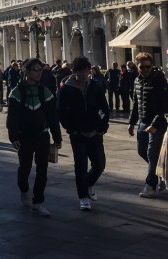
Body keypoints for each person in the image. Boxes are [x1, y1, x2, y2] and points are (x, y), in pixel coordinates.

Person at [7, 58, 63, 217]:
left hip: (42, 135)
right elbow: (12, 118)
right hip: (25, 136)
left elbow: (53, 116)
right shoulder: (16, 93)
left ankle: (38, 202)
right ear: (26, 71)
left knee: (42, 170)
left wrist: (57, 137)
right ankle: (24, 189)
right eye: (35, 70)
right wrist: (13, 136)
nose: (39, 73)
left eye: (41, 70)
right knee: (24, 168)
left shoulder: (45, 92)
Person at [58, 56, 109, 211]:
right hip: (78, 133)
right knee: (80, 166)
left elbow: (104, 108)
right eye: (80, 72)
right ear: (75, 73)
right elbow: (60, 111)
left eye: (86, 71)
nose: (83, 75)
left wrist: (102, 127)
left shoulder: (95, 86)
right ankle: (83, 197)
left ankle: (88, 184)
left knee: (99, 164)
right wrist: (70, 128)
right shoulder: (67, 88)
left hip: (95, 131)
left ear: (89, 71)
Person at [128, 52, 168, 198]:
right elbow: (135, 103)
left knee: (152, 154)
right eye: (142, 67)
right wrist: (131, 123)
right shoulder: (137, 81)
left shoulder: (159, 80)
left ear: (152, 65)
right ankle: (161, 173)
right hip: (142, 121)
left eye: (148, 66)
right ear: (137, 66)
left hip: (157, 123)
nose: (145, 69)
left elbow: (165, 105)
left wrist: (155, 124)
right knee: (142, 151)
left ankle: (150, 185)